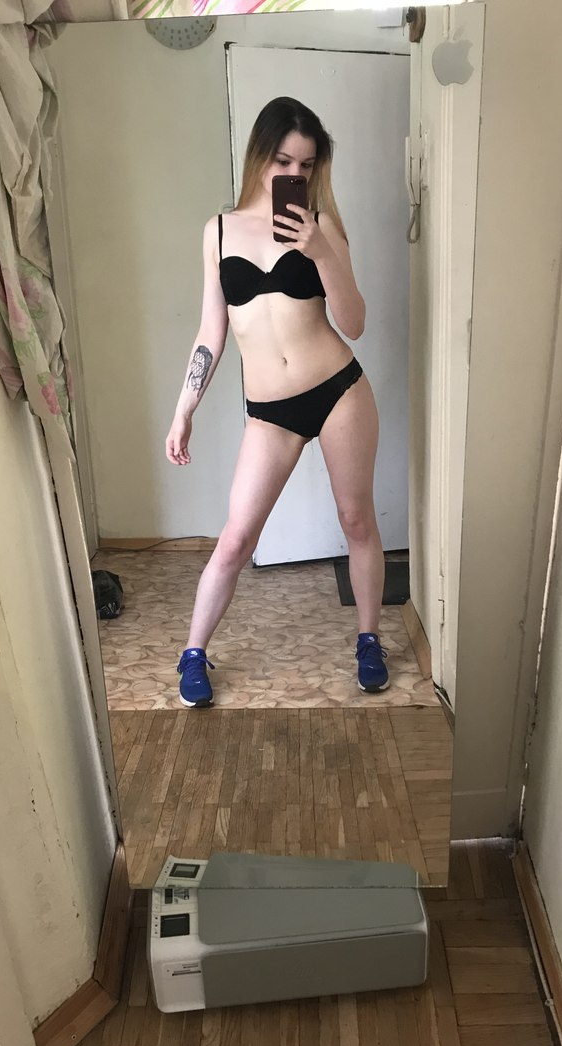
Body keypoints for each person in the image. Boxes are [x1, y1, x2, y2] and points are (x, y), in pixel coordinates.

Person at [165, 96, 388, 708]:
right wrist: (184, 409)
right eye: (283, 161)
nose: (295, 174)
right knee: (237, 538)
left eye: (307, 165)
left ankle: (369, 640)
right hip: (270, 412)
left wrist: (321, 252)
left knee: (356, 520)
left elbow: (354, 322)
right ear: (259, 156)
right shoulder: (217, 232)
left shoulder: (322, 226)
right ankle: (193, 653)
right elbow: (211, 331)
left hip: (338, 391)